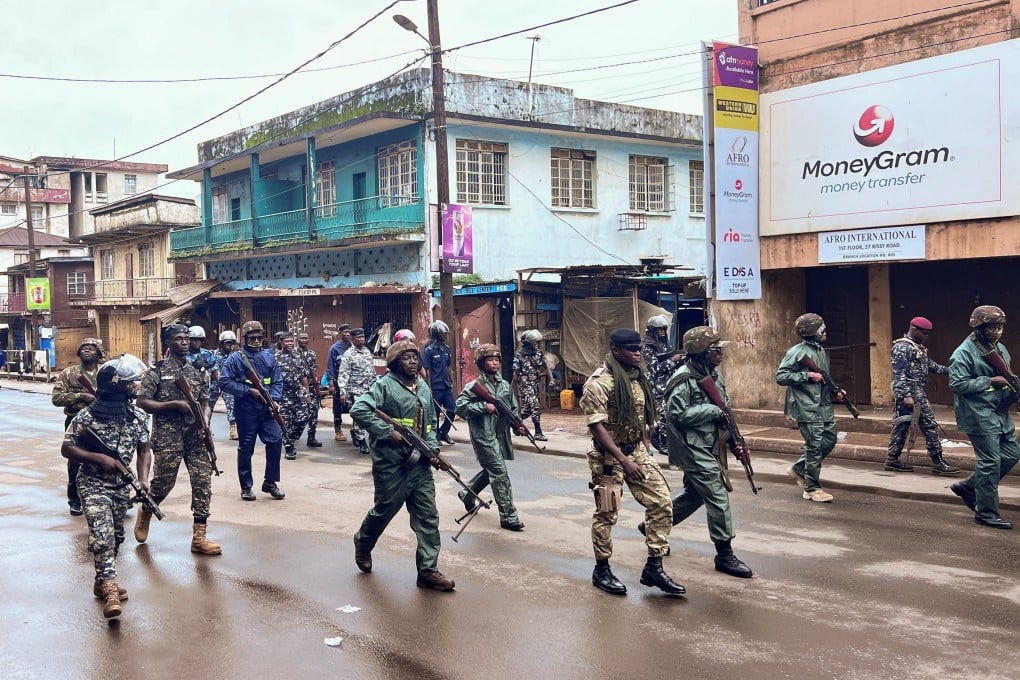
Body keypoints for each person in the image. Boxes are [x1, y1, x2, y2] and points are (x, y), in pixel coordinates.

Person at [579, 327, 685, 598]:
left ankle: (654, 566)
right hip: (608, 457)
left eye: (639, 348)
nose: (638, 353)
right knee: (607, 513)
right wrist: (623, 460)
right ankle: (601, 569)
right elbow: (597, 428)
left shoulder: (637, 377)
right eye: (632, 349)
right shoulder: (599, 383)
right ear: (616, 351)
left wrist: (645, 443)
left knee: (661, 502)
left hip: (636, 450)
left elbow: (640, 415)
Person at [350, 340, 455, 592]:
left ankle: (428, 570)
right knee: (384, 509)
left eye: (414, 358)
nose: (411, 362)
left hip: (419, 464)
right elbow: (359, 409)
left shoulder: (423, 388)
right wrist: (387, 432)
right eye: (406, 358)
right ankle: (363, 542)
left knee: (428, 517)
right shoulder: (384, 386)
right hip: (391, 463)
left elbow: (429, 424)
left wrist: (433, 451)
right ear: (395, 363)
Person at [654, 326, 753, 578]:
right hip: (692, 447)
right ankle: (724, 554)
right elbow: (676, 414)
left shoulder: (713, 375)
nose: (720, 354)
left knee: (696, 496)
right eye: (715, 350)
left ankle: (655, 527)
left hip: (710, 445)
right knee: (718, 497)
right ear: (701, 353)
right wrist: (711, 412)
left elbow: (724, 410)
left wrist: (734, 441)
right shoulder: (684, 379)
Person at [61, 354, 152, 619]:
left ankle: (101, 580)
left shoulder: (137, 416)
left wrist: (143, 479)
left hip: (121, 486)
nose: (135, 387)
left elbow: (144, 450)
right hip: (92, 483)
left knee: (116, 536)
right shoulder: (87, 416)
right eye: (131, 384)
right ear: (115, 385)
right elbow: (67, 448)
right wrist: (98, 458)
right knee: (102, 535)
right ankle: (111, 589)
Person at [135, 325, 221, 555]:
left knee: (203, 483)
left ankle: (199, 536)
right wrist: (172, 405)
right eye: (178, 339)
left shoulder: (198, 371)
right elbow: (142, 401)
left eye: (186, 338)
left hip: (196, 437)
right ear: (168, 344)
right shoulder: (157, 371)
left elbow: (205, 402)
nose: (184, 342)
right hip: (168, 437)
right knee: (163, 483)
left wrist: (205, 423)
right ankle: (146, 511)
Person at [947, 305, 1019, 530]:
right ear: (979, 328)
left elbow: (1006, 374)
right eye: (991, 328)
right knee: (990, 462)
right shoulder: (963, 353)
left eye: (999, 327)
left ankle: (969, 487)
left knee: (1012, 454)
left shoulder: (999, 349)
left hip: (999, 411)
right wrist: (990, 381)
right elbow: (957, 384)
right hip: (978, 413)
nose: (996, 332)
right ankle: (986, 512)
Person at [454, 343, 526, 531]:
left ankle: (467, 494)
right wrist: (483, 407)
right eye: (490, 360)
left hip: (500, 435)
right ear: (481, 363)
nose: (494, 363)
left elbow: (513, 408)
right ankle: (509, 517)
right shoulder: (475, 386)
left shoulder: (504, 385)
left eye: (497, 360)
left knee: (492, 471)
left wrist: (517, 425)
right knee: (500, 473)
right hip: (483, 436)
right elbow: (460, 407)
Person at [776, 313, 843, 503]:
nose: (825, 331)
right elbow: (781, 376)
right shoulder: (797, 352)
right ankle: (811, 488)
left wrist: (835, 391)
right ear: (813, 332)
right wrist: (807, 376)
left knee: (829, 440)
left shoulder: (820, 351)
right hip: (806, 406)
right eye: (822, 329)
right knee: (814, 447)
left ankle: (798, 469)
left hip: (823, 404)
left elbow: (824, 378)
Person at [219, 321, 286, 501]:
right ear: (245, 339)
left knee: (276, 440)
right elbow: (224, 382)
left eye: (259, 337)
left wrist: (275, 400)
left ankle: (270, 482)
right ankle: (246, 487)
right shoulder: (236, 358)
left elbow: (277, 380)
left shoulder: (269, 357)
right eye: (252, 338)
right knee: (246, 448)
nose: (256, 341)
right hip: (246, 409)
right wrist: (248, 390)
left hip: (267, 409)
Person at [884, 317, 959, 475]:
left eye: (928, 333)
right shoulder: (902, 347)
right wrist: (906, 395)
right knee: (929, 424)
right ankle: (937, 462)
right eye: (924, 332)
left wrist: (954, 370)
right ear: (914, 328)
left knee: (902, 425)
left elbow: (932, 366)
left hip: (916, 390)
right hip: (910, 391)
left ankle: (892, 460)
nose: (926, 336)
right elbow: (899, 374)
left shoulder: (917, 348)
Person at [52, 337, 104, 516]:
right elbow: (56, 399)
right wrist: (80, 396)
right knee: (75, 461)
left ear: (99, 353)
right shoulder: (69, 373)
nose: (87, 350)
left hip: (102, 421)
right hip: (76, 421)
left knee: (106, 459)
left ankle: (107, 497)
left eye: (91, 348)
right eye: (84, 347)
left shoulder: (105, 373)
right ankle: (75, 500)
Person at [641, 315, 683, 458]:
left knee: (670, 413)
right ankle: (663, 443)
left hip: (669, 382)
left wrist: (679, 360)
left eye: (664, 329)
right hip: (657, 386)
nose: (663, 332)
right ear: (653, 330)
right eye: (659, 330)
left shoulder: (664, 344)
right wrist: (672, 360)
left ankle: (656, 435)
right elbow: (654, 368)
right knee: (665, 414)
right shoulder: (648, 347)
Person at [337, 328, 378, 455]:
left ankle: (356, 432)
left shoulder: (367, 351)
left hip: (369, 389)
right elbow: (344, 374)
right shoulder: (348, 355)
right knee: (361, 415)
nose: (361, 339)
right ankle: (362, 442)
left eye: (363, 337)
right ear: (353, 339)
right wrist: (343, 391)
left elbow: (372, 371)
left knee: (369, 414)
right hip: (355, 390)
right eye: (358, 338)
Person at [275, 331, 312, 460]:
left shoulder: (298, 356)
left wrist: (307, 393)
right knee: (286, 422)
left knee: (303, 419)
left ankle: (291, 438)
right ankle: (289, 447)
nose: (290, 343)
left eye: (291, 341)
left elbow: (304, 376)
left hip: (299, 393)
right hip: (283, 395)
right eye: (287, 341)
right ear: (281, 342)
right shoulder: (275, 358)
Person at [512, 329, 554, 442]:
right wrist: (514, 390)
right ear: (527, 344)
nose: (536, 345)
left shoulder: (538, 353)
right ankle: (538, 432)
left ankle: (515, 421)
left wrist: (551, 379)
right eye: (534, 343)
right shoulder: (519, 354)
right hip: (525, 384)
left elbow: (546, 366)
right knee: (535, 405)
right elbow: (515, 374)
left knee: (529, 409)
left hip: (535, 383)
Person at [423, 320, 456, 445]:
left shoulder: (447, 349)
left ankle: (443, 433)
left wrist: (451, 382)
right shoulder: (429, 350)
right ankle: (435, 436)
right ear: (436, 334)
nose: (444, 336)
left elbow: (448, 367)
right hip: (435, 386)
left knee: (452, 409)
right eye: (442, 334)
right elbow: (426, 370)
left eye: (445, 334)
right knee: (435, 414)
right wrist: (428, 388)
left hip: (446, 386)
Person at [326, 324, 352, 442]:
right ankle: (338, 430)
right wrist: (331, 384)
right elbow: (330, 366)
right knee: (338, 407)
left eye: (349, 332)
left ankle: (356, 429)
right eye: (345, 332)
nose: (348, 334)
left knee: (355, 405)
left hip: (353, 382)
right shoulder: (335, 348)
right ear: (341, 333)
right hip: (338, 382)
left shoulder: (353, 346)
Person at [210, 330, 238, 440]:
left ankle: (233, 429)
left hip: (228, 384)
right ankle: (206, 428)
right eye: (227, 343)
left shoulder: (235, 356)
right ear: (221, 343)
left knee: (232, 405)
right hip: (214, 384)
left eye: (231, 343)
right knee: (208, 406)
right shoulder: (213, 355)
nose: (229, 346)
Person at [296, 332, 323, 447]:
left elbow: (313, 369)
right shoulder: (294, 353)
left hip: (312, 386)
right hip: (298, 387)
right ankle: (292, 436)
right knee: (297, 413)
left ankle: (311, 437)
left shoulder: (312, 353)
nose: (304, 340)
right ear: (297, 339)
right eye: (301, 338)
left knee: (313, 412)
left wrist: (317, 389)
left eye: (306, 338)